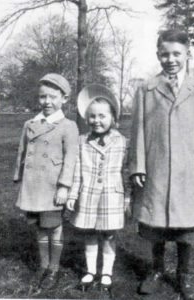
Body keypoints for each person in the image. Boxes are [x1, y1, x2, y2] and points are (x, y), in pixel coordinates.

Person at [129, 29, 194, 300]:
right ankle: (156, 270)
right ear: (158, 55)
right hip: (155, 169)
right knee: (156, 225)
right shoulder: (146, 90)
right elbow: (138, 131)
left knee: (187, 227)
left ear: (187, 54)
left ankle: (184, 274)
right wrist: (138, 166)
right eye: (165, 54)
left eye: (177, 53)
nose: (171, 59)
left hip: (189, 172)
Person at [13, 73, 79, 290]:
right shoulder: (30, 124)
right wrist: (19, 177)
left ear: (64, 98)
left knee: (54, 227)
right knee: (40, 228)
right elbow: (23, 153)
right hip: (33, 185)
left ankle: (54, 268)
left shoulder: (67, 126)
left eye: (53, 97)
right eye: (43, 97)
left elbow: (71, 158)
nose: (47, 102)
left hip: (52, 187)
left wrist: (64, 186)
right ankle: (43, 265)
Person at [66, 84, 131, 294]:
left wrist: (128, 199)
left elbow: (127, 172)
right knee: (90, 234)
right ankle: (91, 270)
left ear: (113, 117)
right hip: (88, 195)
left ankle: (107, 272)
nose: (97, 121)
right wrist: (73, 194)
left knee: (109, 235)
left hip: (112, 197)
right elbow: (76, 171)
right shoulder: (82, 142)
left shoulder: (123, 142)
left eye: (102, 116)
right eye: (92, 117)